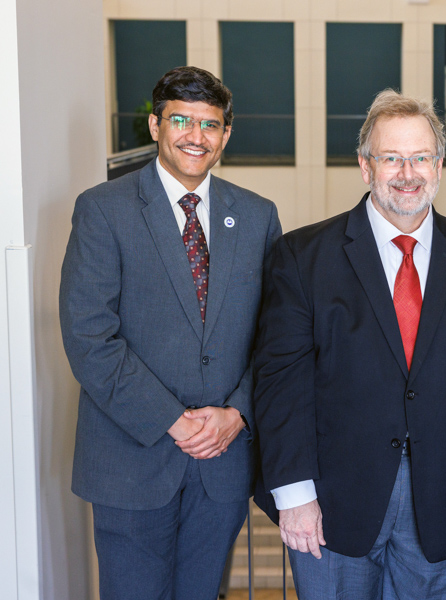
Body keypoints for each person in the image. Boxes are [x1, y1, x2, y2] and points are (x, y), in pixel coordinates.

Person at [252, 89, 446, 599]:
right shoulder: (302, 256)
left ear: (439, 166)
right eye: (391, 158)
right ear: (365, 166)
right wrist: (294, 496)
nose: (407, 172)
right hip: (330, 507)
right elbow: (281, 384)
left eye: (420, 157)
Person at [60, 66, 281, 600]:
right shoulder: (102, 210)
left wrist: (238, 413)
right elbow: (90, 337)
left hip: (222, 466)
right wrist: (172, 422)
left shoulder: (257, 217)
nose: (195, 136)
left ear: (226, 134)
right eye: (180, 120)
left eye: (210, 124)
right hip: (130, 461)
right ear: (155, 125)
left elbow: (276, 337)